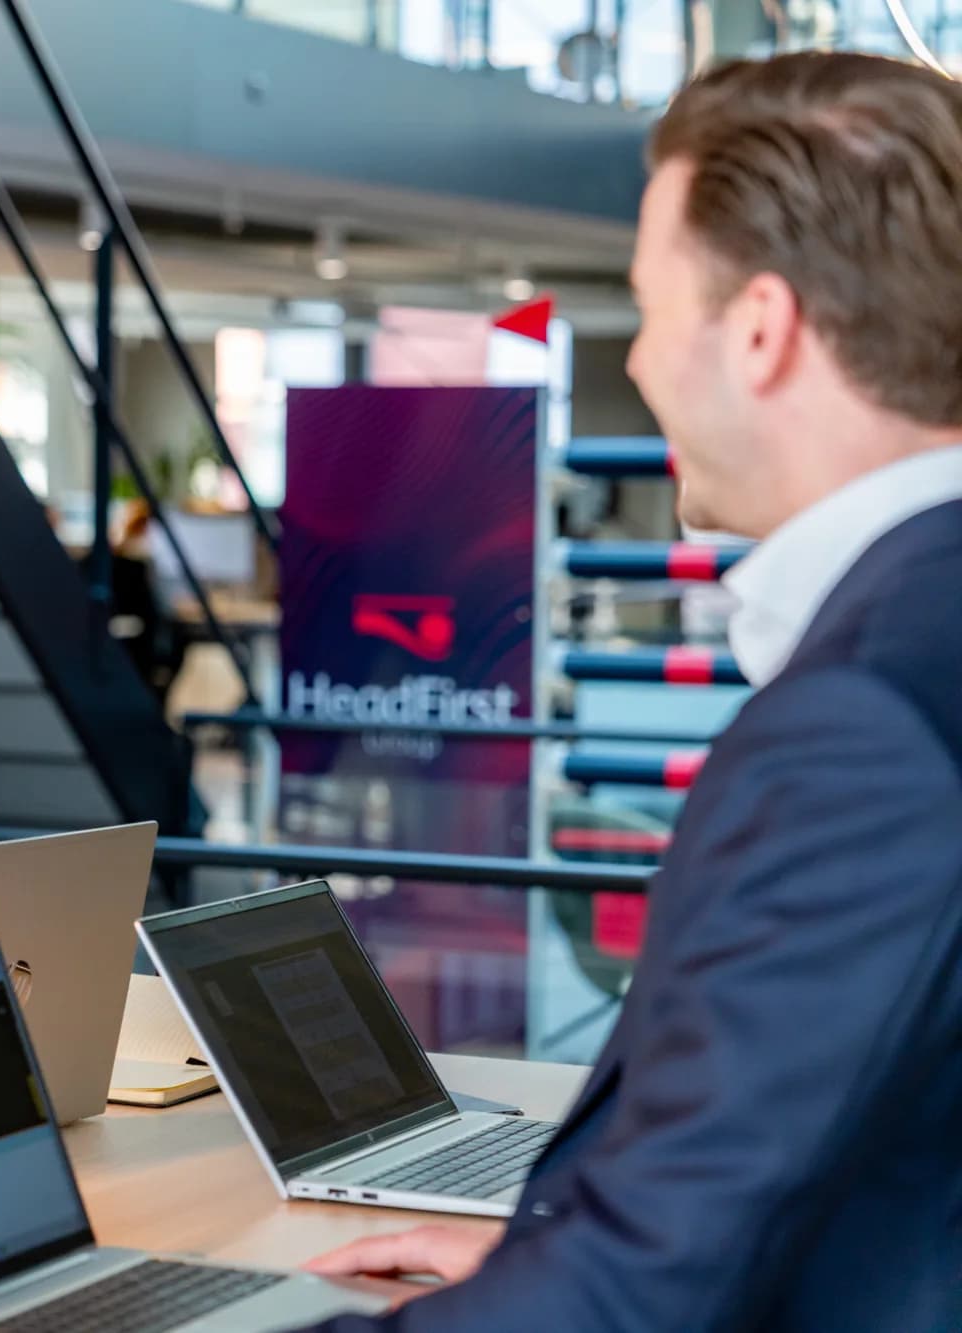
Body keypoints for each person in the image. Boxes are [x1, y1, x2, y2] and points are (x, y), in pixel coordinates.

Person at [300, 52, 962, 1331]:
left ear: (761, 330)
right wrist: (537, 1253)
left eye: (651, 308)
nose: (645, 362)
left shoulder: (862, 724)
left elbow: (647, 1288)